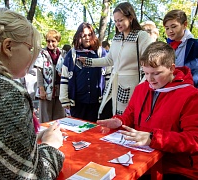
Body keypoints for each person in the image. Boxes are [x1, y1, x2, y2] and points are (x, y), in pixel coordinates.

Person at [0, 8, 64, 179]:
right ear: (8, 47)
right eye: (30, 48)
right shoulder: (5, 92)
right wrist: (51, 146)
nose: (32, 56)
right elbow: (30, 176)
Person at [97, 41, 198, 180]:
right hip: (138, 160)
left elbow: (193, 140)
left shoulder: (190, 96)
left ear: (171, 68)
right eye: (145, 73)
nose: (150, 79)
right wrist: (119, 121)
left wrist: (153, 138)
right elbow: (130, 115)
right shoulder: (141, 88)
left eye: (156, 73)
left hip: (174, 167)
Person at [79, 2, 153, 118]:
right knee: (105, 115)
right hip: (113, 84)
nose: (118, 24)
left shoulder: (141, 36)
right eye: (115, 21)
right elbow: (109, 60)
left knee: (124, 118)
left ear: (131, 18)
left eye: (121, 20)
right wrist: (88, 61)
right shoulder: (117, 38)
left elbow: (149, 64)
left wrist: (142, 86)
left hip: (131, 86)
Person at [59, 22, 107, 122]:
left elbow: (108, 76)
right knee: (77, 130)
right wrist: (64, 99)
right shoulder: (72, 54)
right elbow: (64, 77)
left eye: (89, 35)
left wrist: (106, 98)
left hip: (96, 102)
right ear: (78, 36)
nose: (87, 38)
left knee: (93, 131)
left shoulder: (100, 52)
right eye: (83, 35)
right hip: (78, 102)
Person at [34, 29, 66, 122]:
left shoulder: (63, 54)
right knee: (46, 118)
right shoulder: (42, 53)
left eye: (53, 41)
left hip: (59, 90)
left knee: (59, 118)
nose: (50, 43)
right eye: (48, 41)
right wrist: (41, 89)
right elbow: (39, 71)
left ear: (58, 41)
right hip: (46, 89)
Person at [163, 9, 198, 88]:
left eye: (174, 26)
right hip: (171, 87)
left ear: (185, 24)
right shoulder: (166, 47)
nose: (170, 31)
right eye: (167, 28)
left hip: (190, 88)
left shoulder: (195, 45)